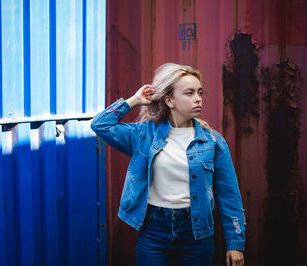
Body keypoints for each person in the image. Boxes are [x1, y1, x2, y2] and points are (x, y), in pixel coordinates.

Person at [91, 63, 245, 266]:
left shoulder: (213, 141)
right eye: (189, 93)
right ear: (169, 100)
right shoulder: (143, 135)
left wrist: (235, 243)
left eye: (199, 92)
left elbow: (229, 195)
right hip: (154, 231)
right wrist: (135, 100)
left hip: (196, 233)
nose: (198, 98)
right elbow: (100, 125)